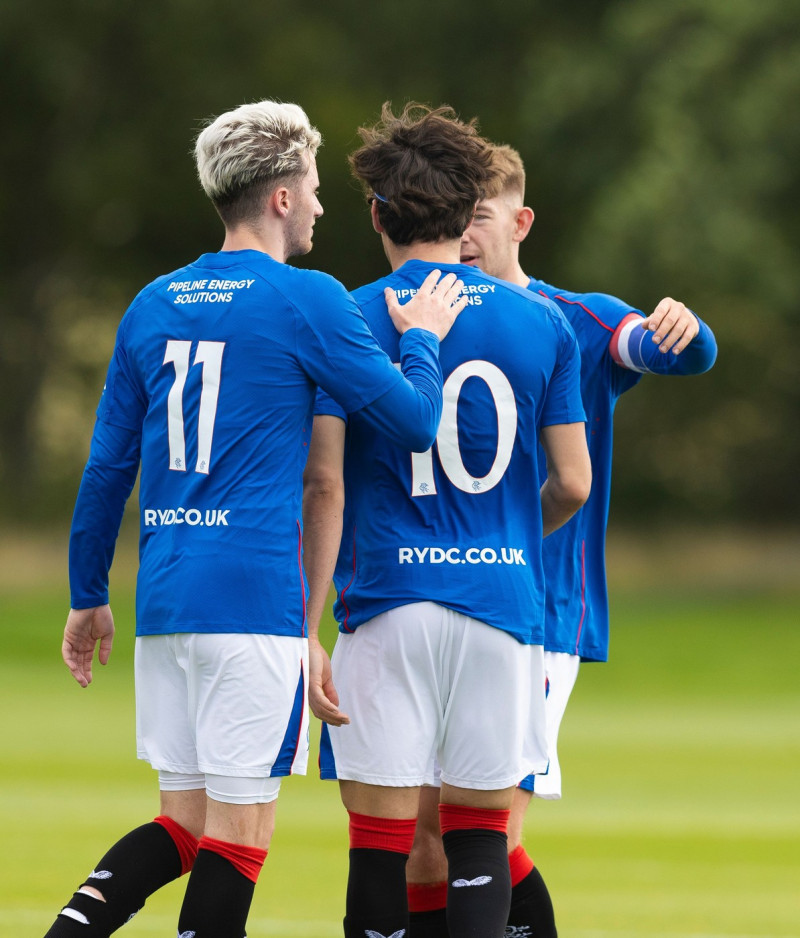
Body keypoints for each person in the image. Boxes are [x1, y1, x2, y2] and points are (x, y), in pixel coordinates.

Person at [43, 99, 468, 938]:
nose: (318, 203)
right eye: (311, 187)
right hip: (252, 607)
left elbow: (105, 469)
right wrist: (423, 337)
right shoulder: (307, 298)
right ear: (278, 197)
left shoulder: (152, 302)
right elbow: (416, 421)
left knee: (183, 827)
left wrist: (87, 592)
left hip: (167, 605)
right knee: (238, 840)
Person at [404, 143, 719, 938]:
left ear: (521, 220)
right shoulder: (420, 319)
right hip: (442, 600)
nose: (463, 235)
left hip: (541, 611)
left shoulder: (572, 320)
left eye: (478, 216)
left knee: (487, 828)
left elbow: (657, 348)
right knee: (425, 833)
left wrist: (685, 331)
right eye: (453, 218)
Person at [302, 103, 591, 938]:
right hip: (501, 609)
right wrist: (498, 542)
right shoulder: (542, 323)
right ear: (469, 215)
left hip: (385, 605)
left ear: (376, 212)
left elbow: (326, 484)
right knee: (479, 848)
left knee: (379, 849)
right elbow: (571, 484)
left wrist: (305, 622)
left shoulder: (344, 316)